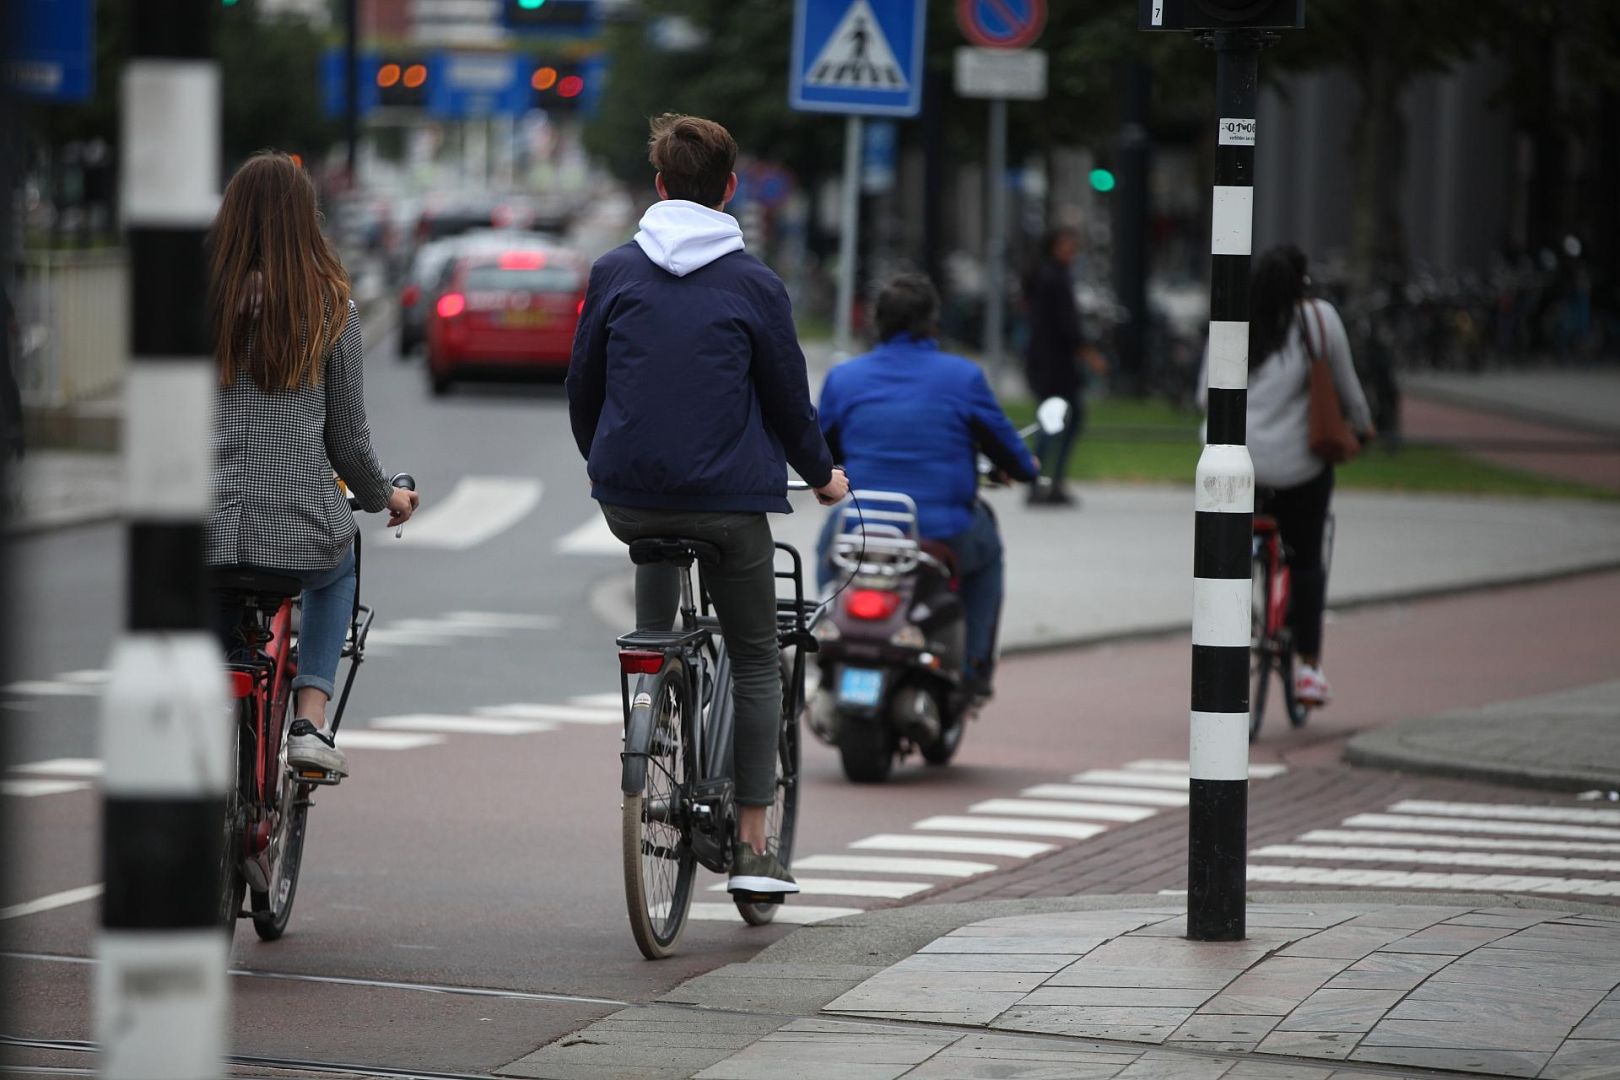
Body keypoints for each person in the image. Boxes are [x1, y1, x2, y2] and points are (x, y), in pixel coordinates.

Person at [567, 114, 847, 896]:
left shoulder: (614, 273)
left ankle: (653, 688)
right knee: (759, 655)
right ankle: (755, 846)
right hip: (728, 506)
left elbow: (582, 388)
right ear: (730, 190)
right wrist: (823, 475)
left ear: (659, 187)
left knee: (653, 617)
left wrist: (607, 461)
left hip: (630, 497)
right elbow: (791, 406)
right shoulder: (756, 284)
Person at [207, 152, 418, 778]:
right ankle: (309, 721)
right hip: (296, 526)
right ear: (305, 221)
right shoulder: (331, 309)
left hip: (203, 526)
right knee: (340, 556)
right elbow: (346, 440)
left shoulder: (194, 306)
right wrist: (386, 496)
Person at [817, 273, 1038, 698]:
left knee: (829, 545)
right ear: (932, 324)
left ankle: (826, 632)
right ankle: (973, 665)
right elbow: (1007, 447)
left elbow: (820, 452)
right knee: (987, 555)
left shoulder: (845, 379)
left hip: (863, 527)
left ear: (877, 323)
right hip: (944, 530)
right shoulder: (963, 378)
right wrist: (1024, 467)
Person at [1236, 245, 1373, 706]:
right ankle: (1310, 667)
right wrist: (1364, 427)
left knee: (1233, 554)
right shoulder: (1318, 320)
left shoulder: (1235, 319)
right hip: (1298, 470)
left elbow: (1202, 393)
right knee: (1308, 556)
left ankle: (1235, 636)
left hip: (1238, 467)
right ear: (1303, 282)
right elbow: (1347, 387)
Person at [1021, 225, 1105, 507]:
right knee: (1056, 422)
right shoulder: (1054, 279)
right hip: (1054, 366)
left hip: (1048, 364)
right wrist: (1089, 354)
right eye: (1066, 245)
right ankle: (1045, 482)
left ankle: (1045, 481)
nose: (1071, 251)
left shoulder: (1049, 276)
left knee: (1056, 420)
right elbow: (1067, 325)